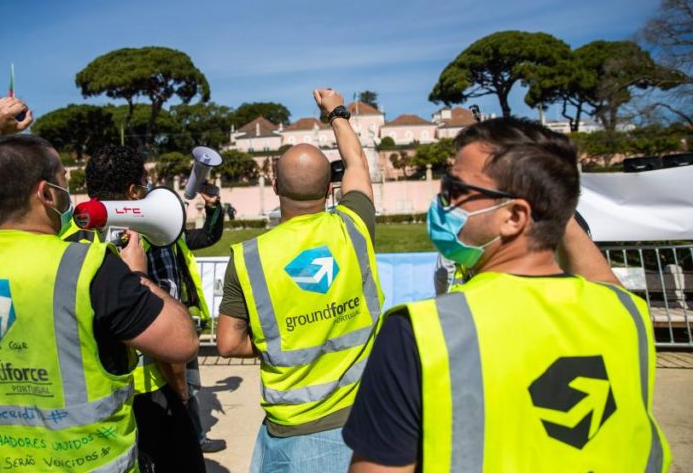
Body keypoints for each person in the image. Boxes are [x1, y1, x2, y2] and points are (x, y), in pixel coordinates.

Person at [342, 117, 671, 472]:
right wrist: (555, 204)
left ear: (514, 216)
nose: (442, 202)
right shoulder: (626, 314)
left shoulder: (419, 333)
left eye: (456, 190)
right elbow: (605, 283)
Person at [0, 97, 198, 472]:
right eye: (63, 181)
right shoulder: (86, 268)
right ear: (47, 194)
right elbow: (181, 341)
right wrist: (136, 276)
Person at [216, 89, 384, 472]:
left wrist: (281, 341)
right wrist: (336, 112)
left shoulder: (248, 258)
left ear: (275, 188)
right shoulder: (354, 227)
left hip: (291, 431)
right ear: (330, 191)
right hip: (364, 418)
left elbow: (227, 343)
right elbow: (356, 162)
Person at [68, 144, 223, 468]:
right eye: (145, 184)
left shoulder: (70, 238)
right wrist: (180, 392)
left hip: (93, 395)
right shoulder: (147, 236)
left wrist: (214, 208)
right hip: (152, 390)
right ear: (134, 190)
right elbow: (166, 335)